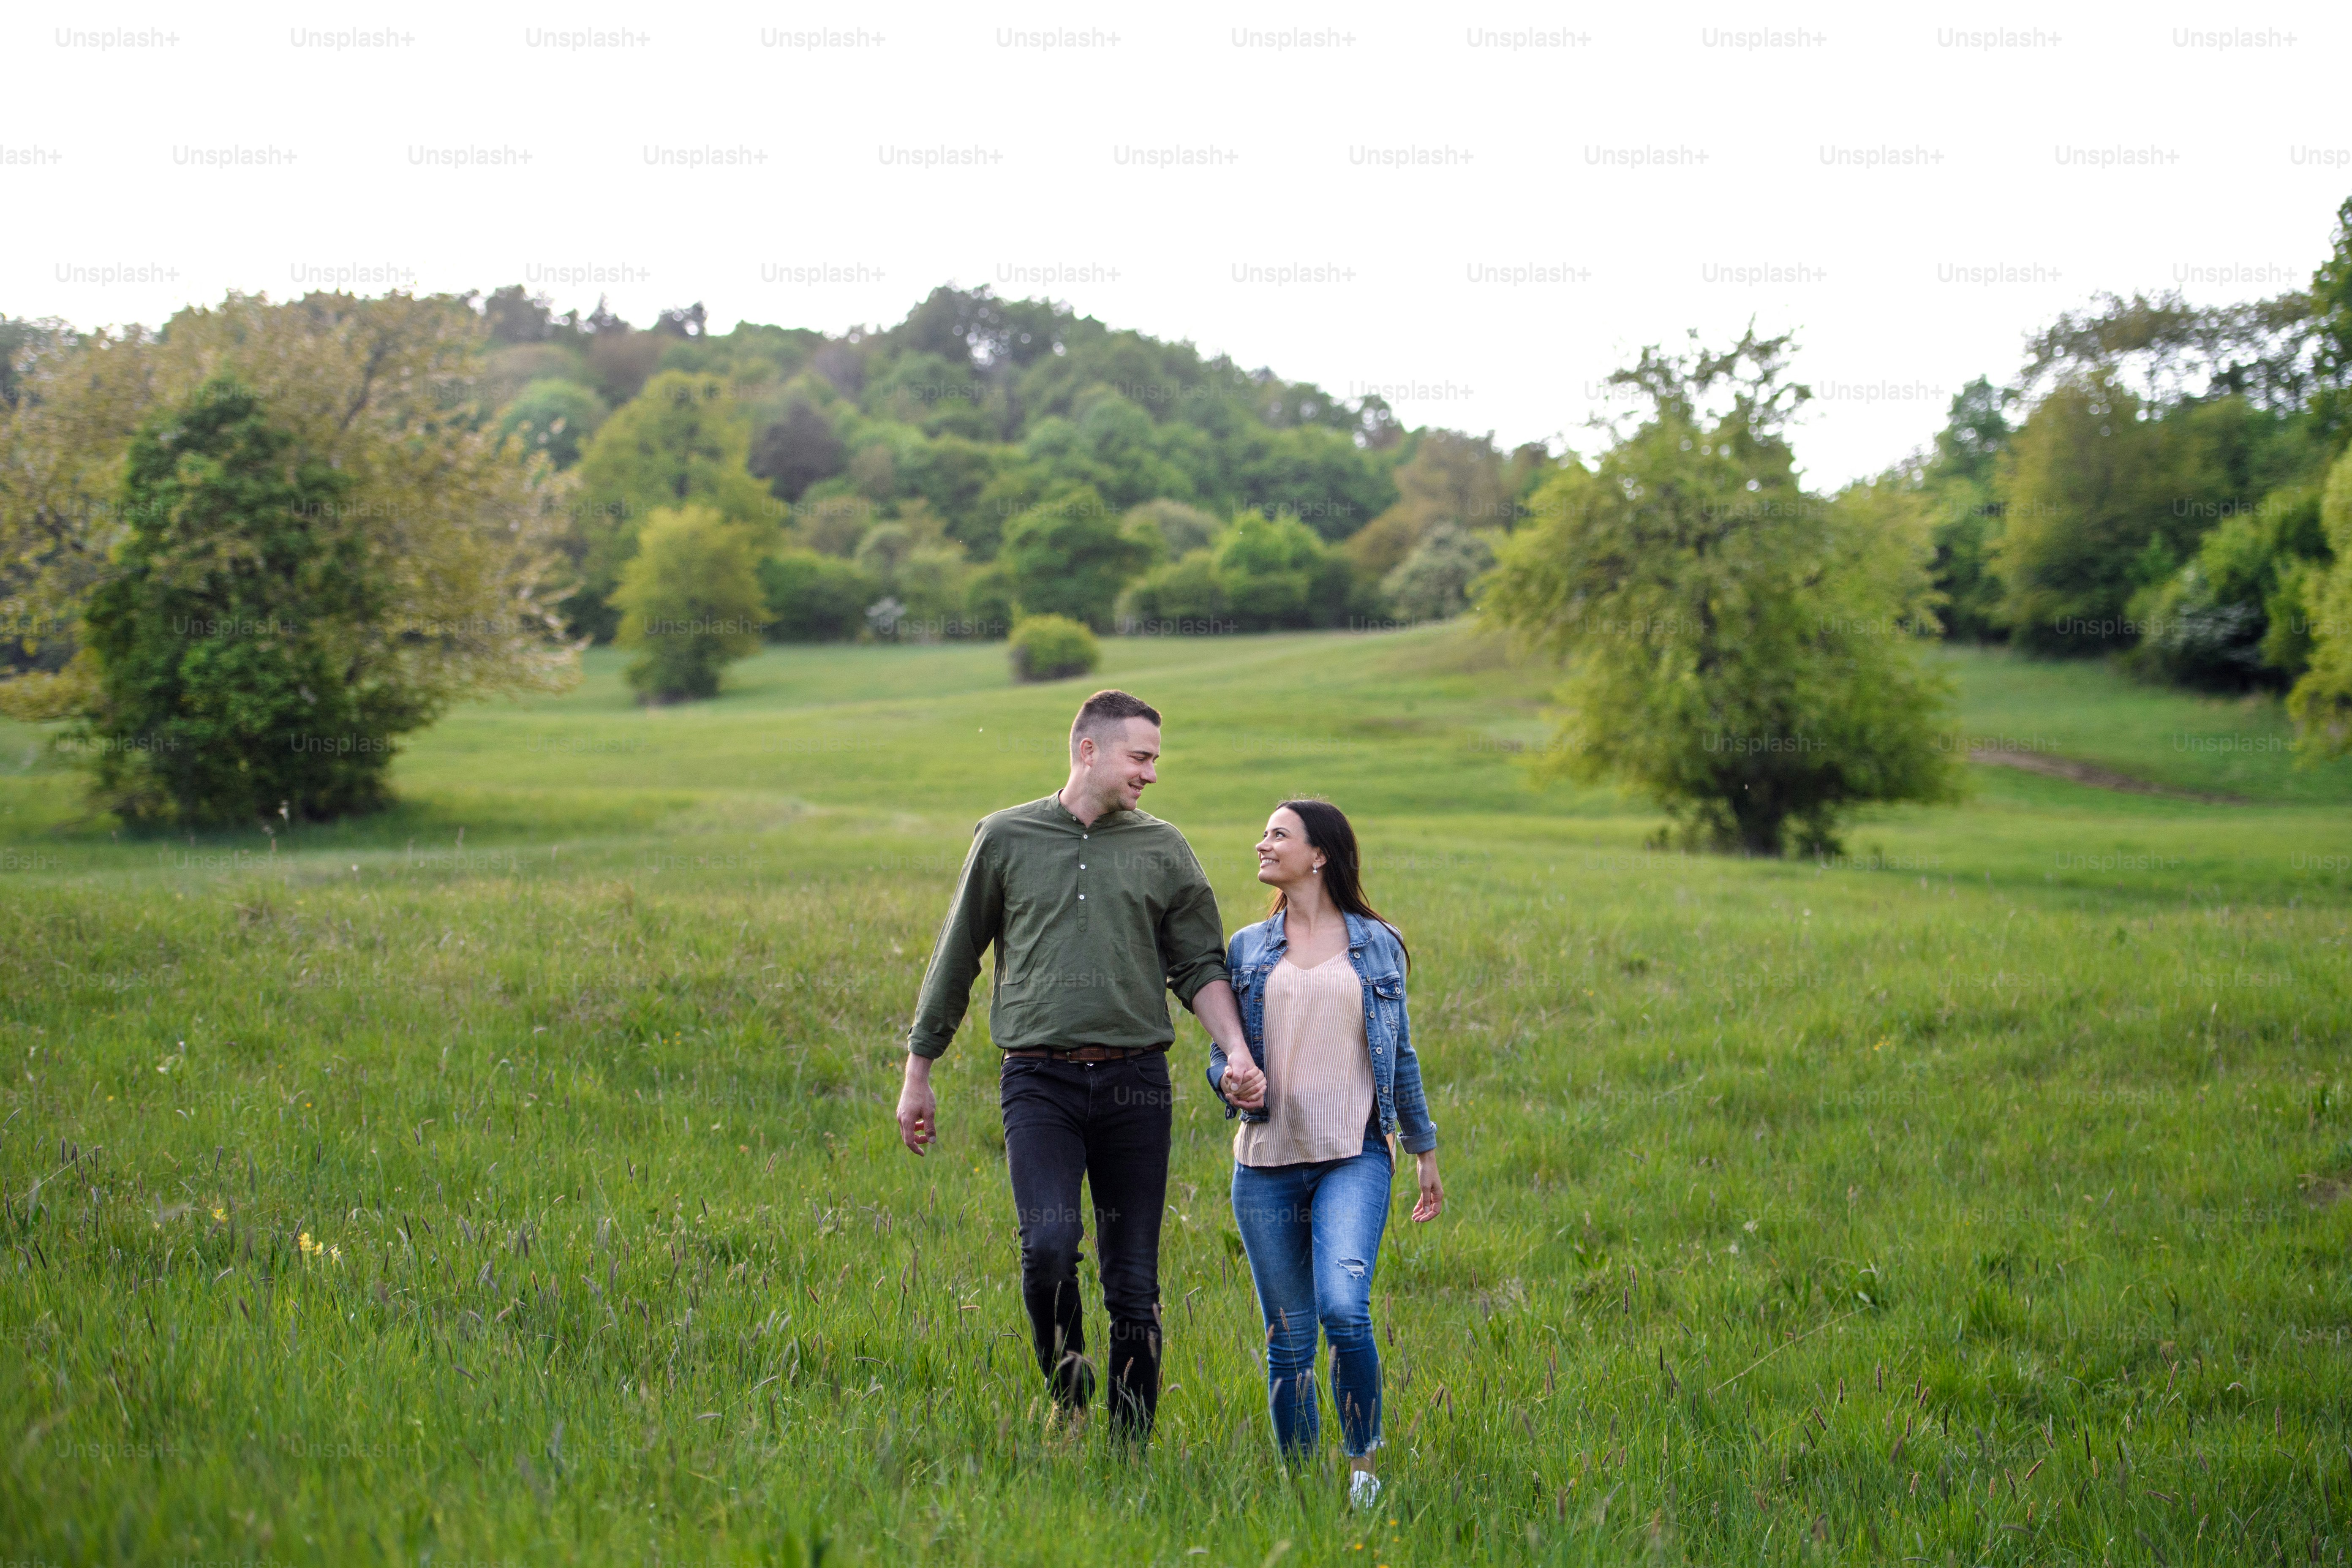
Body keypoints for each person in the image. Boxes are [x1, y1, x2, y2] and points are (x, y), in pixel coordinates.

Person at [895, 689, 1262, 1445]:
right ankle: (1067, 1390)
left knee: (1133, 1282)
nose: (1152, 775)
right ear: (1088, 751)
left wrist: (1238, 1050)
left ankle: (1129, 1455)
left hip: (1137, 1086)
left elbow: (1199, 966)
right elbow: (957, 952)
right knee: (1049, 1249)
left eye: (1155, 760)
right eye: (1141, 757)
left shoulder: (1165, 849)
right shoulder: (1004, 837)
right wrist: (918, 1069)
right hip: (1039, 1081)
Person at [1209, 798, 1442, 1511]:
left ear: (1320, 856)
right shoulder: (1247, 947)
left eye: (1278, 834)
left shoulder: (1378, 943)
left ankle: (1364, 1469)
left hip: (1355, 1156)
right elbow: (1221, 1054)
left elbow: (1399, 1053)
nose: (1262, 843)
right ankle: (1304, 1490)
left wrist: (1424, 1148)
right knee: (1289, 1340)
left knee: (1345, 1309)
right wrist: (1231, 1078)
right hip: (1266, 1163)